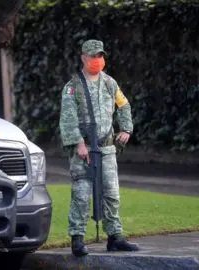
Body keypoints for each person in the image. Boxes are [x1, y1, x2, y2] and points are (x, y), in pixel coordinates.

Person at [59, 39, 141, 257]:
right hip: (83, 150)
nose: (98, 60)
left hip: (106, 149)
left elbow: (124, 105)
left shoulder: (109, 83)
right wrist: (78, 143)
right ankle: (77, 238)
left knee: (112, 194)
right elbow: (68, 118)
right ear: (83, 57)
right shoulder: (72, 86)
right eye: (94, 56)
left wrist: (126, 129)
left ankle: (115, 237)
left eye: (100, 56)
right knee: (82, 194)